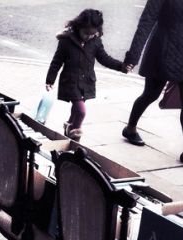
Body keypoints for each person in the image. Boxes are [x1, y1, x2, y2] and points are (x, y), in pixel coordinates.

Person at [122, 0, 183, 169]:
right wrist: (133, 56)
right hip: (164, 49)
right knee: (151, 94)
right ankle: (130, 128)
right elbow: (146, 21)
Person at [46, 9, 130, 141]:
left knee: (76, 108)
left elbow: (104, 59)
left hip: (86, 82)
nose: (88, 36)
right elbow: (57, 61)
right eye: (86, 33)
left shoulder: (95, 42)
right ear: (79, 26)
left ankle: (69, 126)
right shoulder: (66, 41)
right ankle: (75, 136)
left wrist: (121, 66)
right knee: (81, 111)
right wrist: (50, 79)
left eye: (92, 34)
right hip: (71, 81)